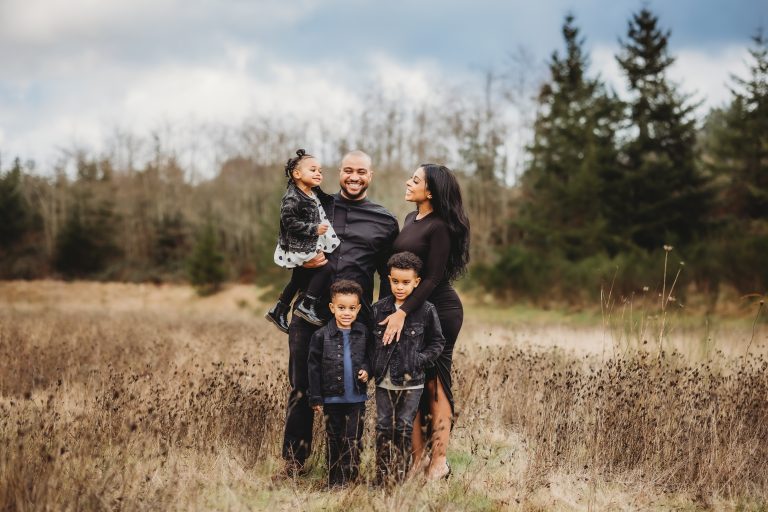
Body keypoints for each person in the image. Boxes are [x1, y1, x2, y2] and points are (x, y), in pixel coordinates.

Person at [280, 150, 399, 477]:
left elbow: (386, 279)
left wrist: (382, 318)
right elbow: (287, 243)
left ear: (370, 176)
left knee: (353, 390)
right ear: (340, 173)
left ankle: (346, 466)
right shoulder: (317, 206)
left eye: (361, 171)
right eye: (348, 170)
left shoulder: (385, 221)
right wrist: (301, 259)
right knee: (302, 386)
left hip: (356, 320)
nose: (354, 177)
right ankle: (293, 463)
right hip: (309, 311)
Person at [378, 164, 470, 480]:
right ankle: (417, 463)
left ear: (430, 191)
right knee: (412, 381)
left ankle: (438, 463)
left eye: (415, 180)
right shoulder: (409, 220)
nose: (408, 182)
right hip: (412, 312)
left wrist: (402, 312)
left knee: (435, 383)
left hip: (440, 311)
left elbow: (431, 279)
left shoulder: (440, 227)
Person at [372, 252, 445, 485]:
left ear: (417, 282)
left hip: (412, 381)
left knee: (403, 427)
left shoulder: (426, 310)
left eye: (406, 282)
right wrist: (370, 366)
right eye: (395, 281)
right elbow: (369, 343)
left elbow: (437, 342)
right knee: (383, 427)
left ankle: (399, 478)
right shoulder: (378, 309)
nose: (400, 287)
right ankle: (382, 477)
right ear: (388, 279)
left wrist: (419, 359)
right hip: (383, 380)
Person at [307, 279, 373, 487]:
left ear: (358, 308)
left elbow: (369, 357)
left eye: (352, 308)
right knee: (334, 439)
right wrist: (316, 397)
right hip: (332, 398)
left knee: (353, 439)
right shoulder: (320, 336)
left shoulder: (363, 332)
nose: (347, 313)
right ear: (332, 307)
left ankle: (350, 478)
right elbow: (313, 367)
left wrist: (367, 370)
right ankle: (334, 480)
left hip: (356, 398)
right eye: (341, 308)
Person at [266, 149, 338, 332]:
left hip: (308, 241)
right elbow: (288, 222)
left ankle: (279, 309)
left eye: (320, 171)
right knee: (326, 267)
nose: (318, 174)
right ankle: (308, 304)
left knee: (299, 277)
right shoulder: (292, 197)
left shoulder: (310, 191)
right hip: (300, 243)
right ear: (297, 174)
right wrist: (313, 229)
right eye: (313, 170)